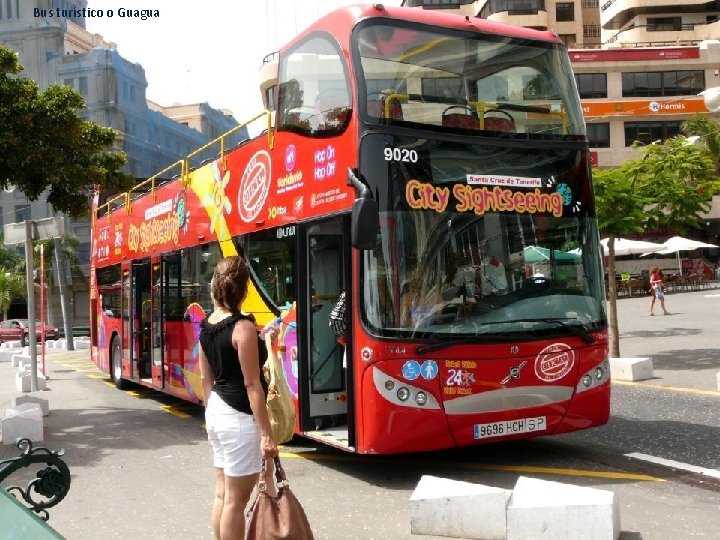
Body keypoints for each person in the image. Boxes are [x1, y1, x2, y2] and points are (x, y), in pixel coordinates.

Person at [198, 256, 278, 540]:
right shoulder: (242, 328)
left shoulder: (207, 326)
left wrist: (211, 416)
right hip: (240, 419)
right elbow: (253, 385)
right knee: (236, 500)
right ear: (245, 288)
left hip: (218, 411)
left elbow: (206, 380)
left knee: (223, 494)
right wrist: (267, 435)